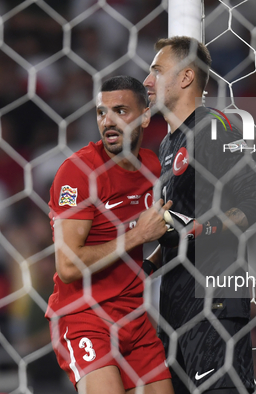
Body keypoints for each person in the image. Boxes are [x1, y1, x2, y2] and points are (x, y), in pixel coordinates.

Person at [143, 37, 256, 393]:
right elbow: (178, 226)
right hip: (175, 309)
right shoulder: (168, 144)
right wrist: (148, 263)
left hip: (213, 302)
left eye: (156, 71)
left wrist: (198, 230)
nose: (147, 81)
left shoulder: (212, 128)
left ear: (185, 78)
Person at [45, 75, 174, 394]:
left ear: (145, 116)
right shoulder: (78, 173)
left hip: (136, 321)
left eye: (120, 111)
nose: (109, 121)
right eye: (102, 112)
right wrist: (137, 236)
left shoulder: (154, 168)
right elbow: (68, 266)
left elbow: (171, 229)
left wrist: (149, 266)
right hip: (85, 319)